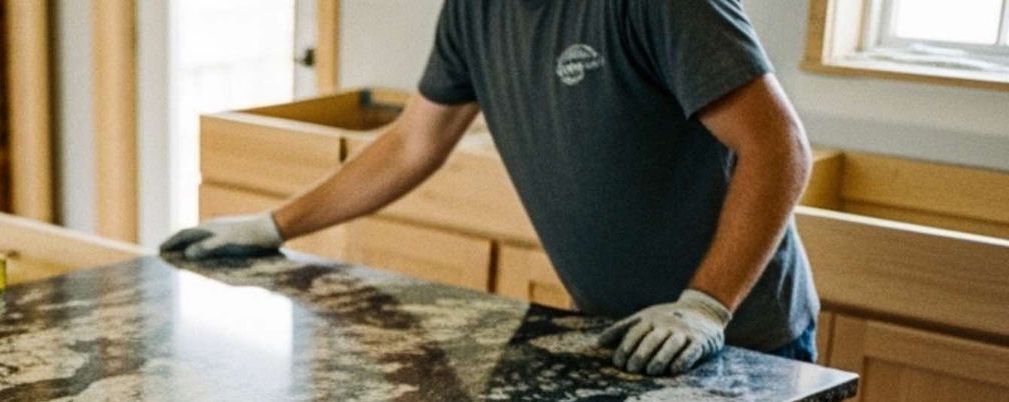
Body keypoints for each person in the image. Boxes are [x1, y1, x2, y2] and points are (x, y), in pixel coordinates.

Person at [162, 0, 820, 376]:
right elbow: (413, 142)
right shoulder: (474, 9)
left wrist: (704, 307)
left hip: (740, 339)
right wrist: (274, 225)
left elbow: (779, 147)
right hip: (611, 334)